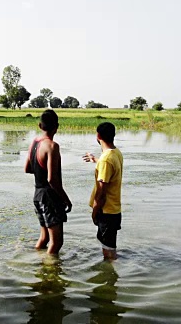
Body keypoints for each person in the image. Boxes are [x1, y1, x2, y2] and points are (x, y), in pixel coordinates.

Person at [24, 109, 73, 255]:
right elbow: (52, 179)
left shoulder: (34, 143)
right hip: (49, 197)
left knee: (44, 238)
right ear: (57, 127)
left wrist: (40, 171)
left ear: (40, 125)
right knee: (57, 242)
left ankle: (37, 263)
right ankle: (49, 274)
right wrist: (66, 199)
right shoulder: (52, 146)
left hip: (38, 194)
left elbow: (27, 168)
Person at [83, 122, 124, 260]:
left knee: (108, 253)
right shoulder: (115, 153)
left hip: (106, 212)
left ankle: (110, 279)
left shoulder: (105, 160)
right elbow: (108, 167)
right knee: (110, 247)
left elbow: (101, 192)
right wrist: (96, 160)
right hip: (114, 210)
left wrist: (95, 212)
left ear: (98, 136)